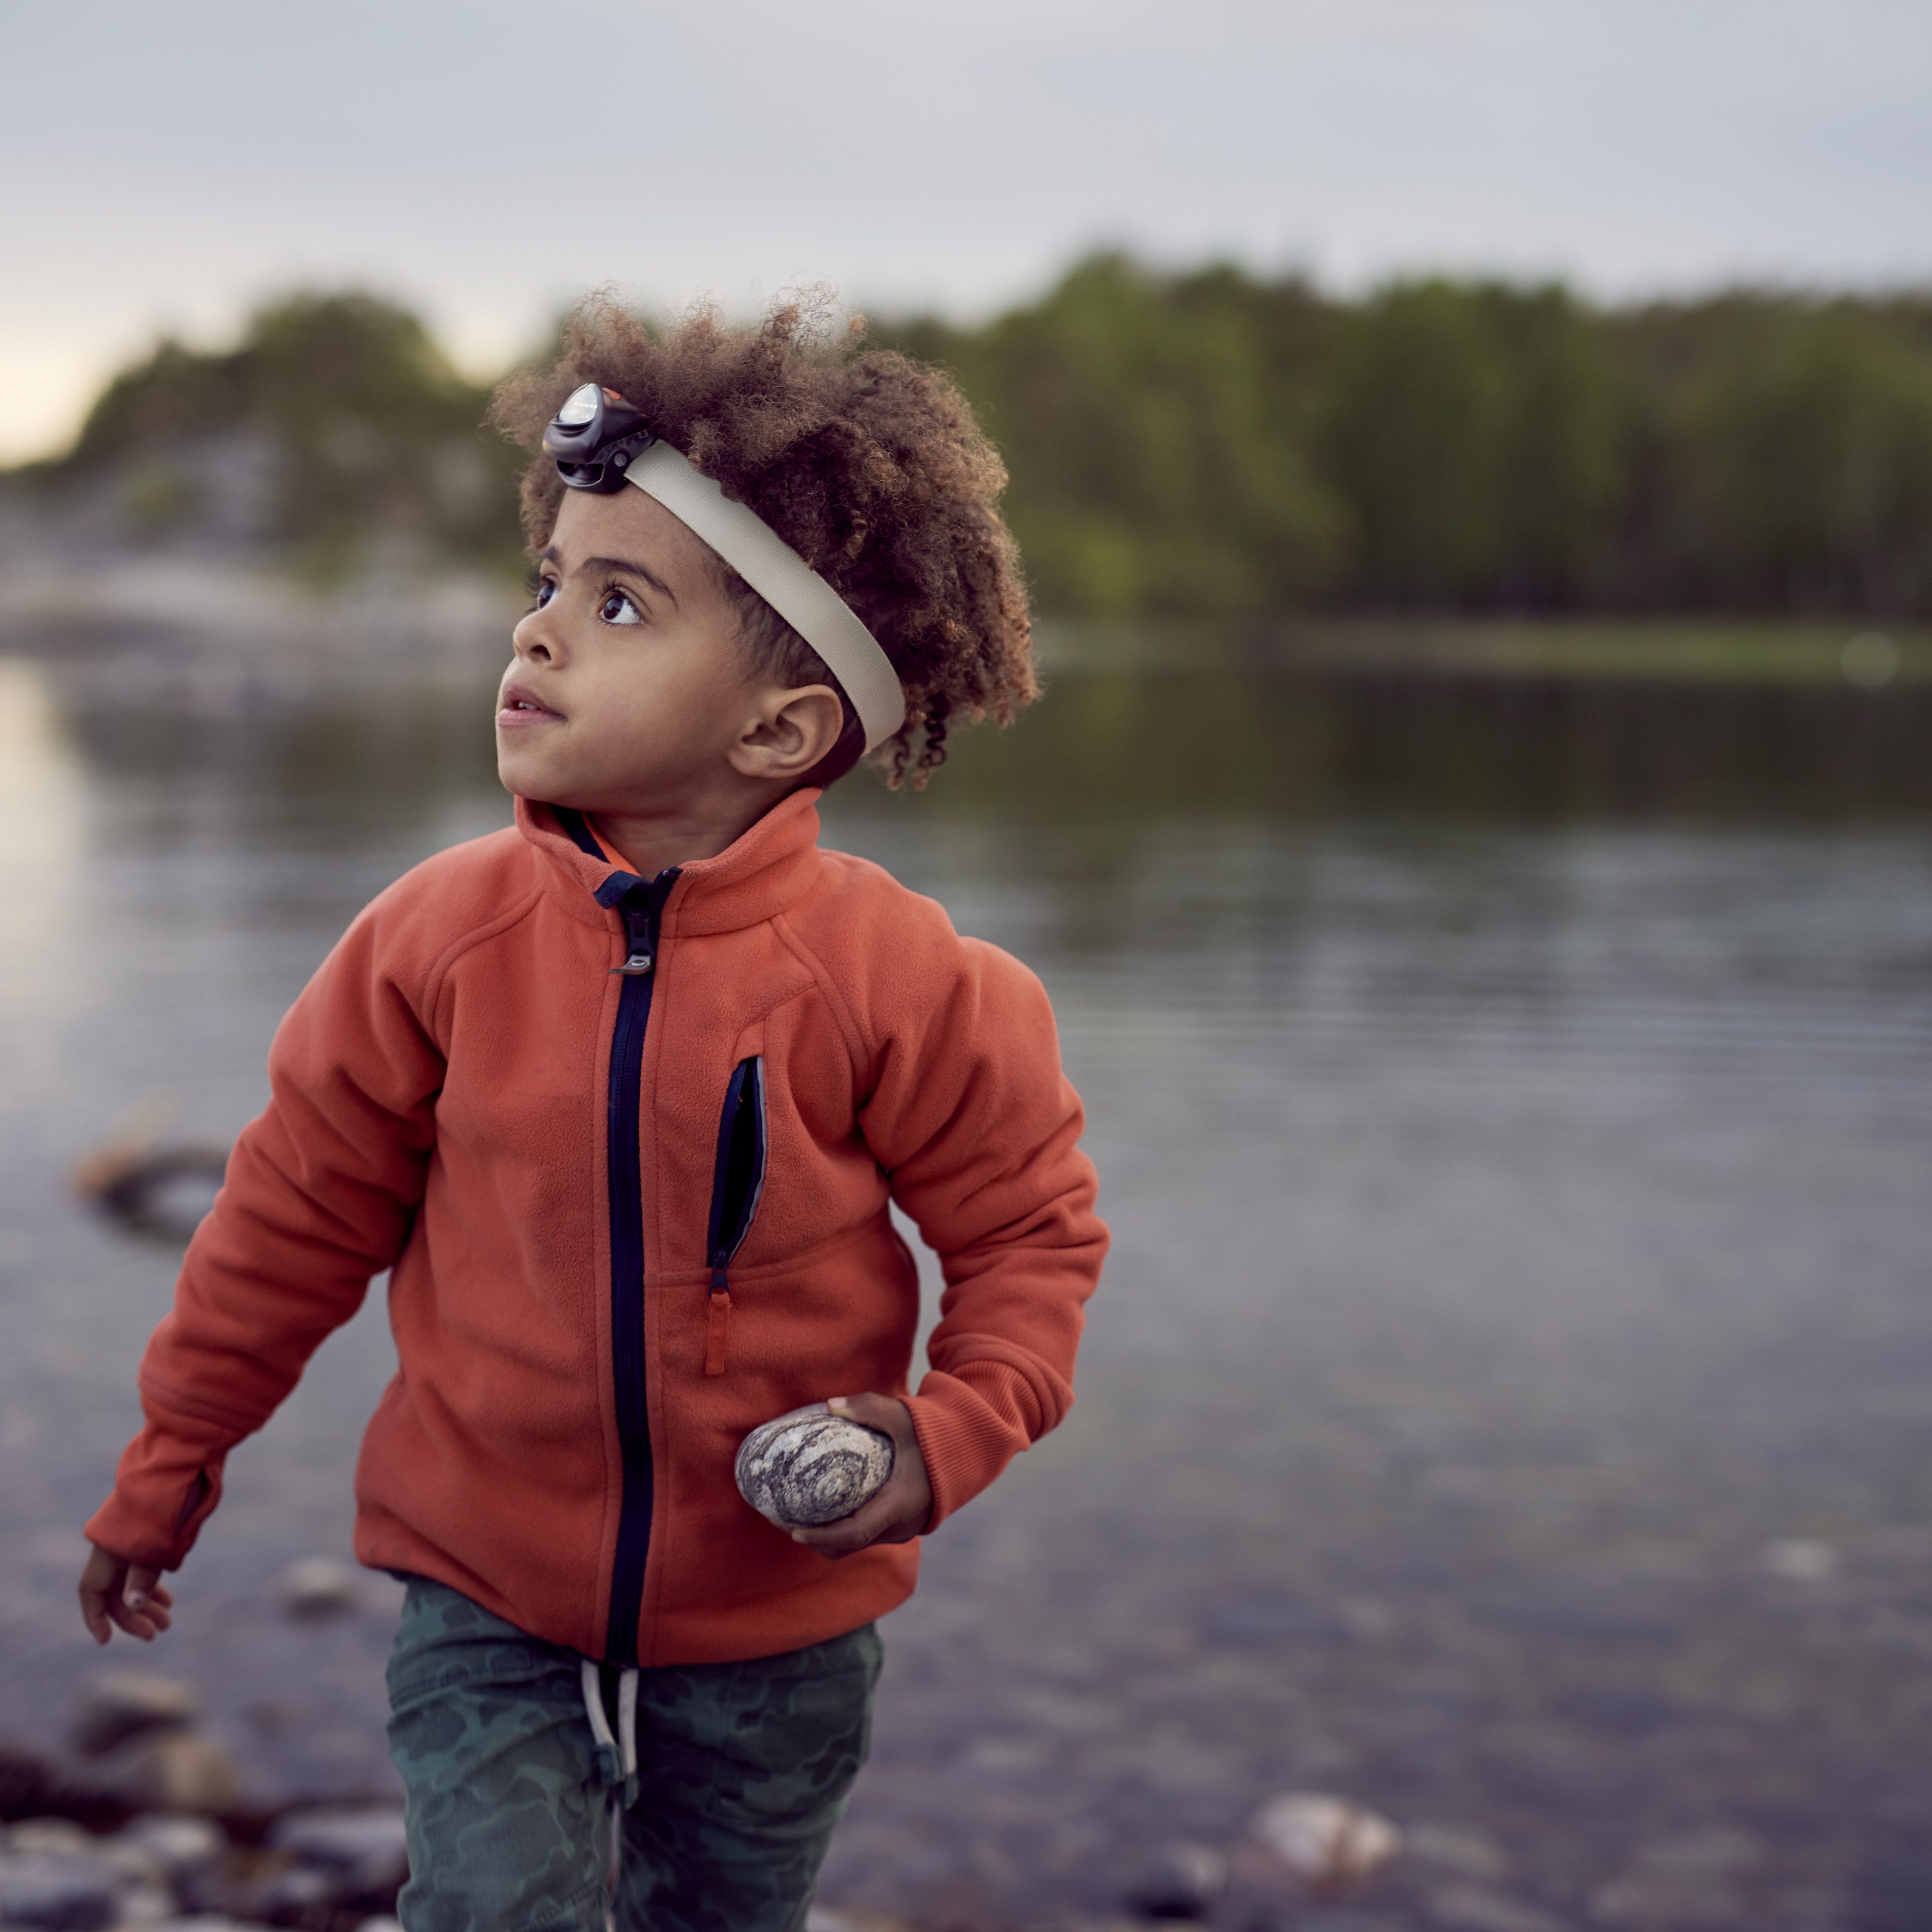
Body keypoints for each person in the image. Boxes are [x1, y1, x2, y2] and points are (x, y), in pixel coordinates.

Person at [76, 295, 1108, 1932]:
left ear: (778, 725)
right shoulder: (432, 942)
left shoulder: (907, 981)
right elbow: (287, 1219)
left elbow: (1030, 1236)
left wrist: (943, 1434)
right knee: (497, 1907)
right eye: (546, 582)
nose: (537, 632)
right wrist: (173, 1456)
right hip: (479, 1578)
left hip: (781, 1607)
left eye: (618, 602)